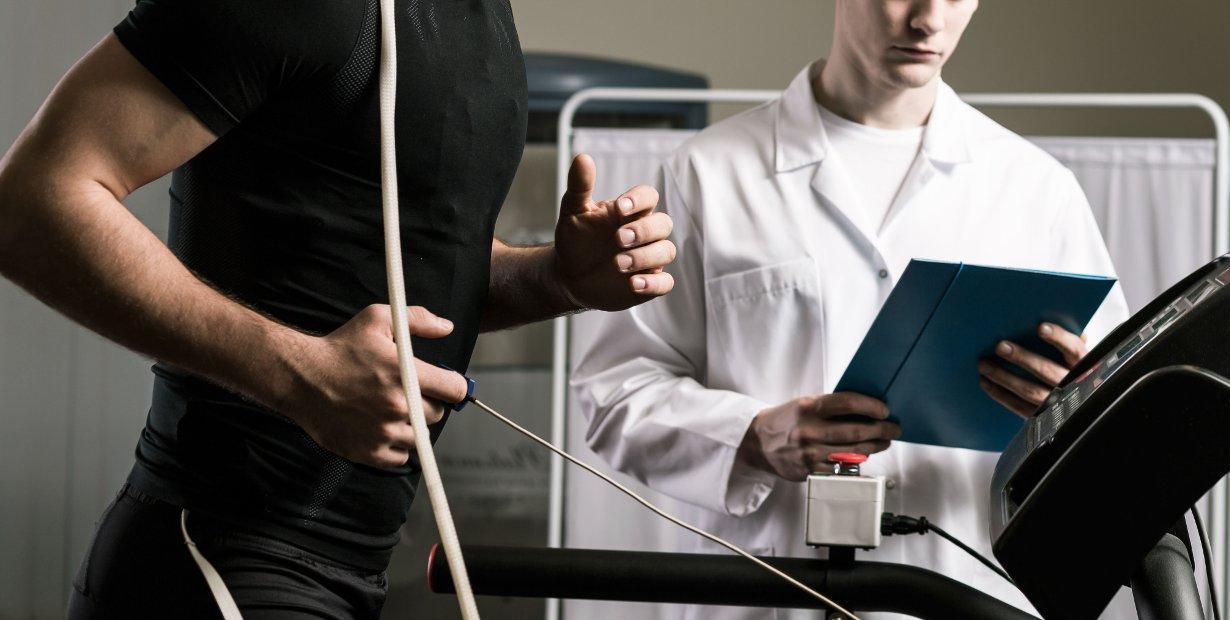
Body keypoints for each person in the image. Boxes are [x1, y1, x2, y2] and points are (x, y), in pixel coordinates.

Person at [0, 0, 677, 617]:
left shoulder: (480, 18)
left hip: (353, 566)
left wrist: (557, 280)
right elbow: (30, 203)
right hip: (222, 555)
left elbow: (406, 267)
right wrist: (300, 371)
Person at [570, 0, 1129, 617]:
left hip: (968, 596)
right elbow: (614, 391)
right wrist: (754, 438)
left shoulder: (1036, 191)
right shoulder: (708, 175)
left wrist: (1069, 408)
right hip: (771, 599)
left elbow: (1119, 436)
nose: (929, 20)